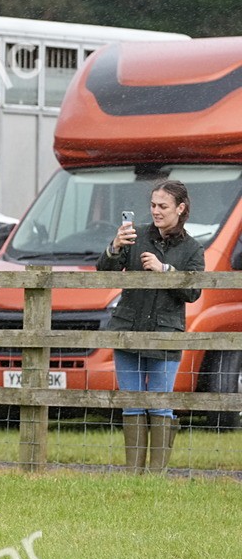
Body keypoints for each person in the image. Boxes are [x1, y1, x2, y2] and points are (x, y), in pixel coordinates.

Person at [97, 180, 205, 473]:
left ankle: (156, 475)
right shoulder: (135, 236)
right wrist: (115, 247)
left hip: (166, 334)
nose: (156, 211)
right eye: (153, 205)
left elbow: (193, 292)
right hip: (128, 329)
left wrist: (165, 270)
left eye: (163, 206)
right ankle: (134, 473)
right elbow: (103, 272)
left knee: (160, 403)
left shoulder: (193, 248)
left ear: (180, 208)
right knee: (132, 403)